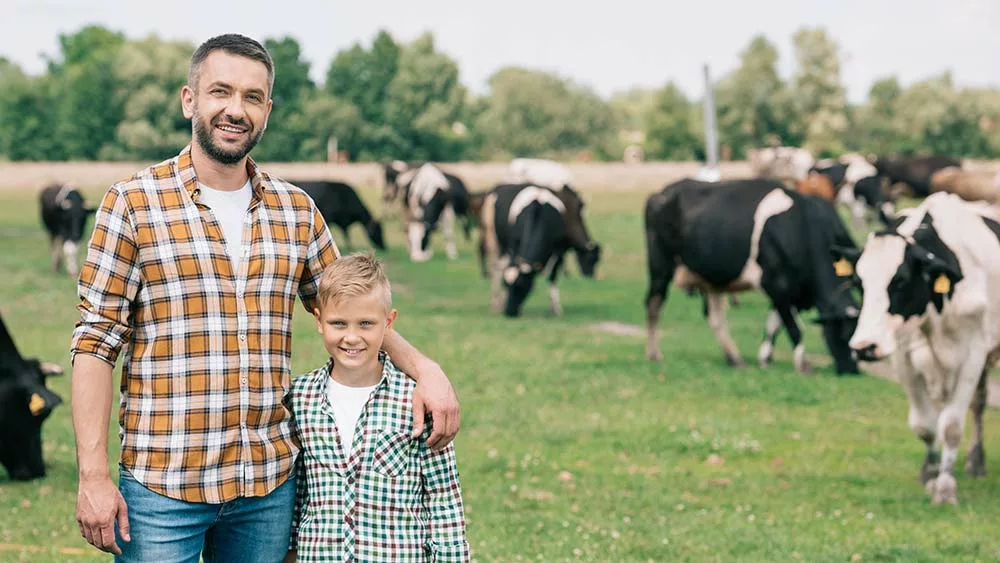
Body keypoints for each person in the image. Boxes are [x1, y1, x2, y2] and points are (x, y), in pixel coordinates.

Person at [69, 33, 460, 562]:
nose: (236, 110)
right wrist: (92, 475)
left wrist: (426, 370)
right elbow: (95, 344)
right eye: (220, 92)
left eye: (252, 97)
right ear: (190, 100)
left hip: (266, 489)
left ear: (267, 110)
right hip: (161, 486)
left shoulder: (296, 210)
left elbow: (352, 310)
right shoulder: (133, 203)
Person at [285, 252, 468, 562]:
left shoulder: (415, 400)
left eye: (366, 324)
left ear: (389, 323)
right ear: (318, 321)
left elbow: (443, 498)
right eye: (338, 323)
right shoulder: (301, 397)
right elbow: (298, 491)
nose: (352, 337)